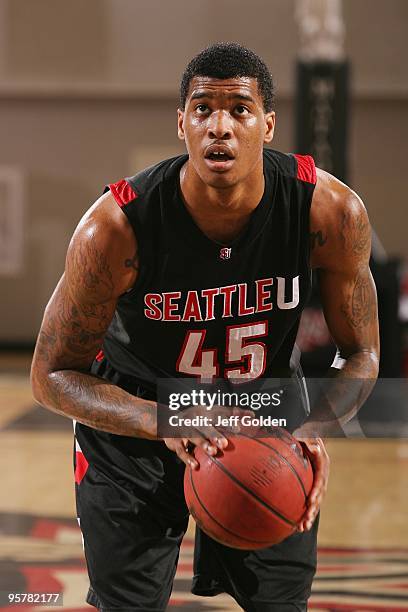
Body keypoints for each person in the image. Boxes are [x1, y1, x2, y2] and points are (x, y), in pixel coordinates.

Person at [30, 42, 379, 611]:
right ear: (181, 124)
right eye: (202, 109)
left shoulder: (329, 212)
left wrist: (315, 425)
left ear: (268, 125)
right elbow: (51, 375)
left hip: (265, 416)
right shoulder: (115, 229)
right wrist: (162, 420)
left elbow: (361, 354)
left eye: (239, 109)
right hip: (137, 424)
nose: (220, 126)